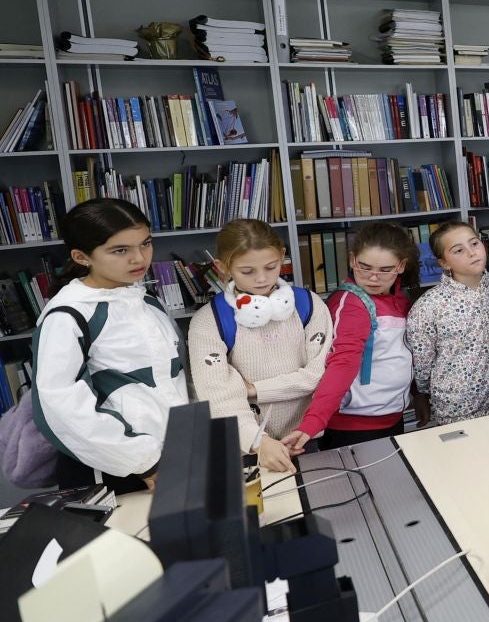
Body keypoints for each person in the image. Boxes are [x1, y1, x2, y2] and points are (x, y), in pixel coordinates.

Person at [32, 199, 189, 490]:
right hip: (114, 473)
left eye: (145, 244)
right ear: (81, 257)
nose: (139, 258)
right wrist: (146, 462)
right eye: (120, 250)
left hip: (172, 458)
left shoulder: (149, 302)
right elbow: (61, 408)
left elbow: (175, 381)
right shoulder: (68, 316)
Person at [188, 218, 332, 472]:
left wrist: (254, 389)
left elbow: (317, 376)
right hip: (246, 446)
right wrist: (258, 441)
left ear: (282, 256)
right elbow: (218, 396)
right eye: (247, 271)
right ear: (222, 267)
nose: (262, 278)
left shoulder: (309, 305)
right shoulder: (208, 321)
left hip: (304, 438)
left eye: (271, 266)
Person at [299, 221, 418, 448]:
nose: (373, 278)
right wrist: (313, 422)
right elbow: (342, 363)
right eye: (364, 267)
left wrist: (417, 396)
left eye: (385, 270)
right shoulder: (351, 304)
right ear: (352, 260)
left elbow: (404, 355)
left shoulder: (401, 299)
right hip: (353, 426)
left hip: (392, 416)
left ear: (401, 266)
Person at [408, 220, 489, 426]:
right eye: (458, 250)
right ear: (444, 262)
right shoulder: (428, 306)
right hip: (460, 410)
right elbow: (422, 364)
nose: (472, 253)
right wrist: (422, 394)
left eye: (474, 243)